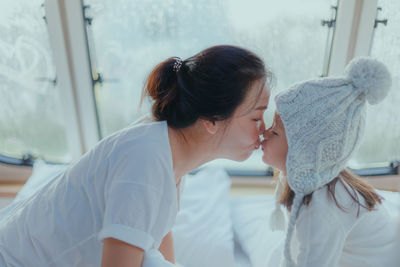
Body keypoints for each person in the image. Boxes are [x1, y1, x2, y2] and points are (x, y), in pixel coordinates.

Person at [0, 45, 272, 267]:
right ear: (211, 120)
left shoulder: (168, 150)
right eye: (257, 117)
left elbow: (157, 234)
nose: (264, 130)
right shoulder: (146, 160)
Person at [261, 57, 399, 267]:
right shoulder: (309, 181)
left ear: (302, 151)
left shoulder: (321, 210)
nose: (265, 132)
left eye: (276, 132)